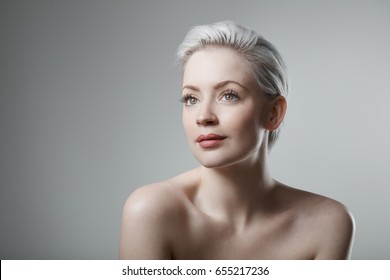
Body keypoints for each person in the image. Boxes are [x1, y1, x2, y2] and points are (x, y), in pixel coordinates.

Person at [119, 21, 355, 259]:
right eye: (191, 98)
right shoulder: (150, 212)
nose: (203, 117)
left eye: (229, 95)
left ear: (274, 113)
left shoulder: (327, 225)